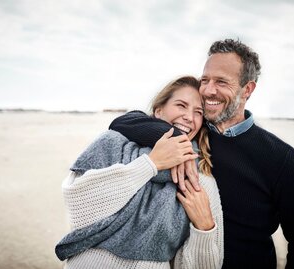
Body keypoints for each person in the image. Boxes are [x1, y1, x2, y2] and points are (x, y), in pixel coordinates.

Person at [109, 39, 294, 268]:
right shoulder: (193, 132)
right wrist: (175, 138)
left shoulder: (281, 158)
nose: (209, 90)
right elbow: (124, 121)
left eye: (221, 82)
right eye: (205, 80)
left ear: (247, 89)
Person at [56, 76, 224, 269]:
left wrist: (204, 228)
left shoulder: (198, 179)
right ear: (159, 111)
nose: (189, 117)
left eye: (198, 112)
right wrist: (151, 164)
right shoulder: (112, 143)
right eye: (181, 105)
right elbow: (79, 209)